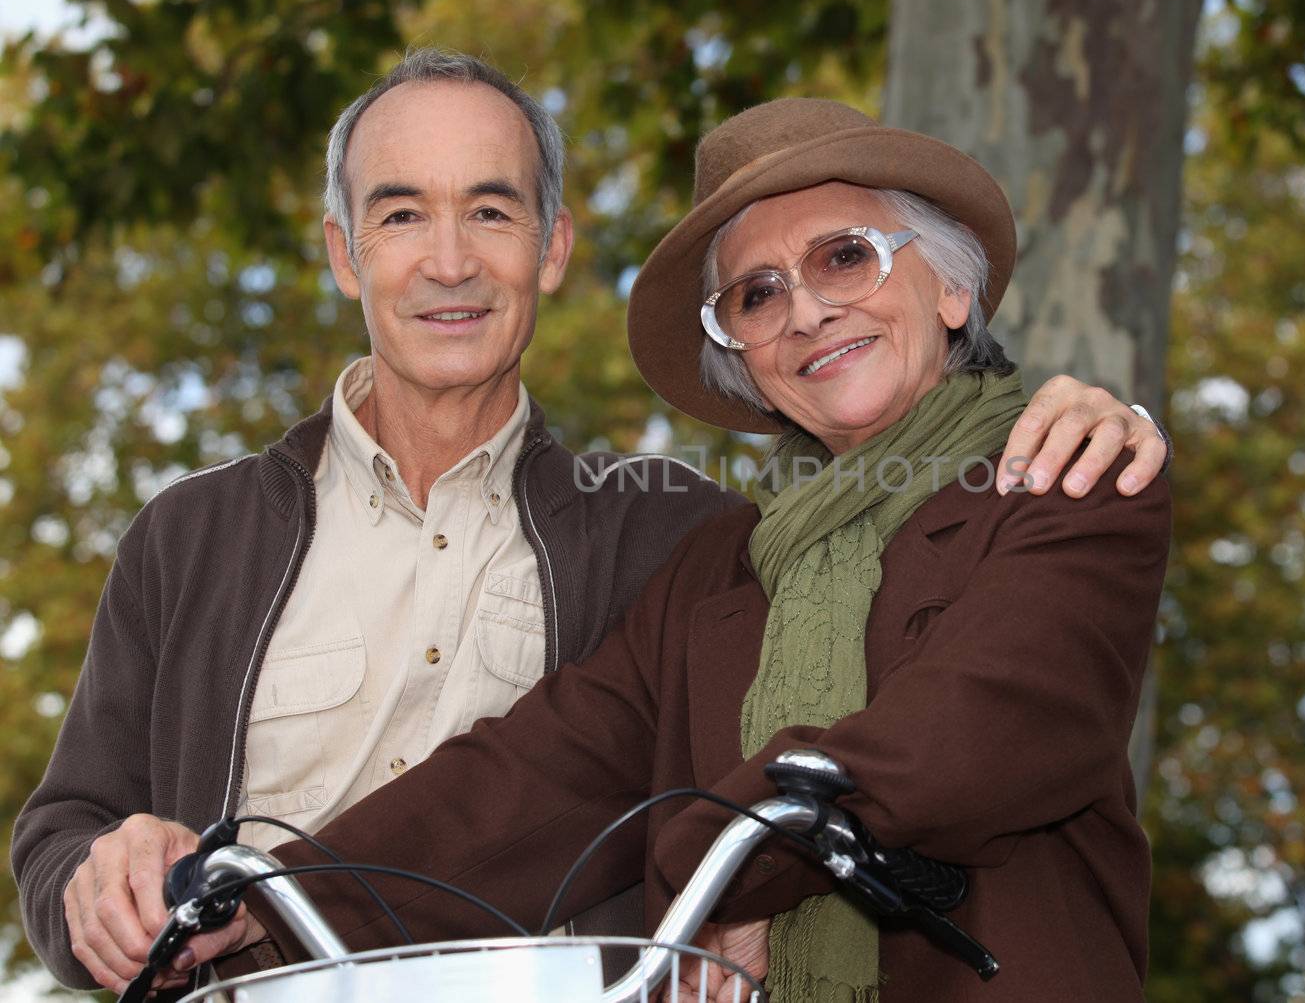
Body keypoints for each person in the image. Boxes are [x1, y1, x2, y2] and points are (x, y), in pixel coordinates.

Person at [10, 52, 1171, 997]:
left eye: (844, 254)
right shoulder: (720, 566)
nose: (807, 305)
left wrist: (710, 870)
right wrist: (246, 906)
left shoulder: (1064, 469)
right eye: (756, 293)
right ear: (744, 359)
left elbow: (985, 721)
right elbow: (537, 772)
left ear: (954, 287)